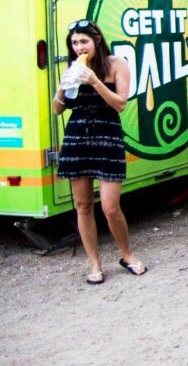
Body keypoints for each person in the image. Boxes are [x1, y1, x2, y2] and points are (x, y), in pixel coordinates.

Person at [53, 19, 145, 284]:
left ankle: (127, 255)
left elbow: (120, 104)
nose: (79, 47)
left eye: (84, 41)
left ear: (97, 41)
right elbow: (58, 109)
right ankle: (94, 263)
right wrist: (63, 86)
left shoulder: (117, 64)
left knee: (110, 207)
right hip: (77, 138)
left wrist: (94, 81)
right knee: (83, 206)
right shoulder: (73, 67)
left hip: (107, 136)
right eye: (74, 43)